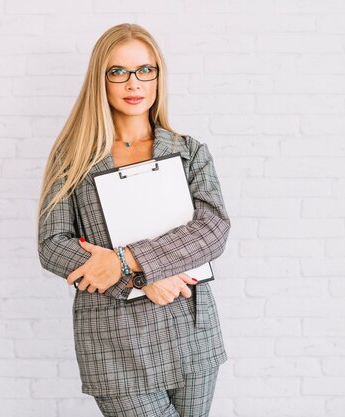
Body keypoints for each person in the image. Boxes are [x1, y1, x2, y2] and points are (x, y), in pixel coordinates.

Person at [36, 23, 231, 417]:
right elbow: (53, 245)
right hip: (115, 342)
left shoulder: (189, 151)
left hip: (191, 331)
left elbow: (212, 230)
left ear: (158, 76)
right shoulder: (72, 159)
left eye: (145, 70)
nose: (133, 83)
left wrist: (126, 261)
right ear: (101, 81)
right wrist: (142, 279)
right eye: (118, 72)